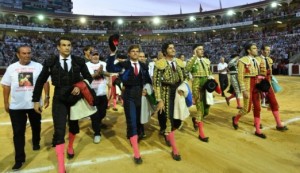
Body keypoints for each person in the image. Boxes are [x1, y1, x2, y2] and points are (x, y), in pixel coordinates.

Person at [32, 37, 93, 173]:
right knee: (59, 130)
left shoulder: (78, 61)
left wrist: (80, 85)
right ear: (58, 47)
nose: (67, 47)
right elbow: (40, 81)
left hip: (75, 97)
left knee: (73, 126)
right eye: (64, 45)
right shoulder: (51, 61)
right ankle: (61, 167)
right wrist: (36, 100)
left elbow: (88, 77)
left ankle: (70, 146)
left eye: (69, 45)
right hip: (59, 97)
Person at [1, 45, 50, 171]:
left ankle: (36, 141)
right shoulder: (12, 68)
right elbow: (6, 86)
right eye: (24, 53)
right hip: (16, 106)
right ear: (18, 54)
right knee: (18, 133)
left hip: (34, 104)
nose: (27, 55)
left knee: (36, 126)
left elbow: (45, 81)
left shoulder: (38, 66)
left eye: (29, 53)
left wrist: (47, 96)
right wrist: (6, 103)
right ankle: (19, 159)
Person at [106, 44, 152, 164]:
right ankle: (137, 153)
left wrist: (146, 89)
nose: (136, 53)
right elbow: (110, 67)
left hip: (141, 95)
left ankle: (134, 136)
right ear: (129, 53)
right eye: (133, 51)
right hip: (129, 94)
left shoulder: (143, 65)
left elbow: (148, 81)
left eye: (137, 51)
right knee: (131, 121)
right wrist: (112, 53)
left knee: (137, 120)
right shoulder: (123, 65)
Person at [153, 42, 186, 161]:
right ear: (165, 51)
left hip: (178, 92)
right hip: (166, 93)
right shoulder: (160, 64)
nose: (173, 50)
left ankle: (167, 134)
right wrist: (159, 99)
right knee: (169, 120)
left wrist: (183, 89)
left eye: (173, 48)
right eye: (170, 48)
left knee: (179, 119)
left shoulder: (179, 62)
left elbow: (184, 78)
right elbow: (156, 83)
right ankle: (175, 150)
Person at [232, 42, 266, 138]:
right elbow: (240, 76)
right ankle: (235, 119)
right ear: (248, 50)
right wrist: (244, 90)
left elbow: (259, 73)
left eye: (256, 48)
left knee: (258, 107)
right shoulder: (243, 60)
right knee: (247, 109)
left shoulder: (257, 60)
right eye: (254, 48)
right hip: (247, 85)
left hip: (256, 85)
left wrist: (261, 80)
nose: (256, 50)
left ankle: (258, 130)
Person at [256, 45, 288, 131]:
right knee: (257, 104)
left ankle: (279, 124)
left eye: (269, 50)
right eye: (266, 50)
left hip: (267, 84)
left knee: (273, 102)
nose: (268, 52)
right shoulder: (257, 60)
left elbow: (270, 72)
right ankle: (257, 122)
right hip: (258, 84)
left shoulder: (270, 60)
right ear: (262, 51)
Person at [185, 44, 212, 142]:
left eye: (202, 49)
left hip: (207, 84)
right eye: (199, 49)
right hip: (197, 85)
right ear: (194, 51)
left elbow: (210, 73)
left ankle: (196, 120)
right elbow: (186, 70)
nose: (202, 51)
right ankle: (201, 134)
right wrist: (194, 57)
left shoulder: (206, 60)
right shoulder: (191, 61)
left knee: (206, 110)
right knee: (200, 109)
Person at [85, 50, 110, 143]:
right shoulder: (86, 65)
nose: (95, 57)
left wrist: (102, 72)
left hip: (103, 93)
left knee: (103, 113)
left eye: (97, 55)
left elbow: (108, 74)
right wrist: (98, 73)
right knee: (95, 115)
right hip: (92, 94)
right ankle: (97, 133)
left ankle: (97, 123)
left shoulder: (103, 63)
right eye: (93, 55)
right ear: (89, 56)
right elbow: (88, 76)